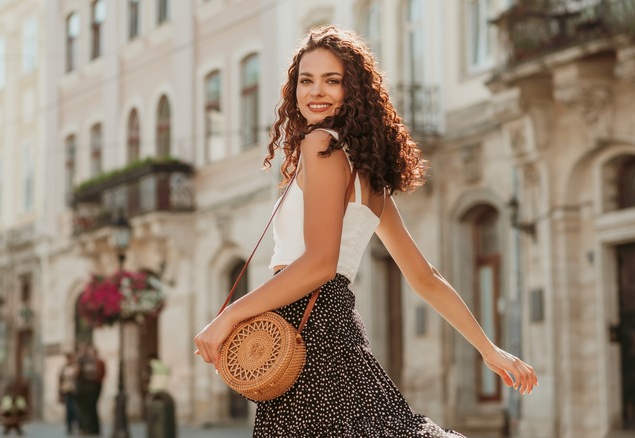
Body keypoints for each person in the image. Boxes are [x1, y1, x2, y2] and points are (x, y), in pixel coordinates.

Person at [194, 25, 538, 436]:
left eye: (332, 81)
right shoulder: (367, 175)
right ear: (293, 88)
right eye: (306, 80)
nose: (315, 92)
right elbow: (425, 278)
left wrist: (227, 317)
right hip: (336, 324)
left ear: (352, 90)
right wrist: (489, 349)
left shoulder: (320, 145)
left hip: (305, 329)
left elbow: (319, 262)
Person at [58, 353, 79, 435]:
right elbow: (60, 380)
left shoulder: (75, 367)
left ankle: (75, 424)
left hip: (74, 391)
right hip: (66, 390)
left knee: (74, 409)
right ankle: (69, 426)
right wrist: (60, 393)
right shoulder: (63, 368)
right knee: (68, 409)